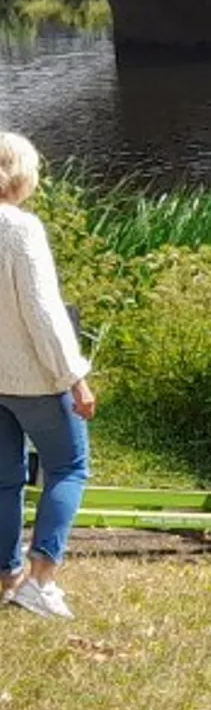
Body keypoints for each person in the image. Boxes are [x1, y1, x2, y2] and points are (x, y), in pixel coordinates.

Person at [0, 132, 95, 620]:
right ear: (21, 174)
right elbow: (42, 311)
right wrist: (73, 375)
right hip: (34, 378)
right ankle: (41, 578)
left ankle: (6, 575)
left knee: (3, 481)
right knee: (68, 467)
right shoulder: (21, 228)